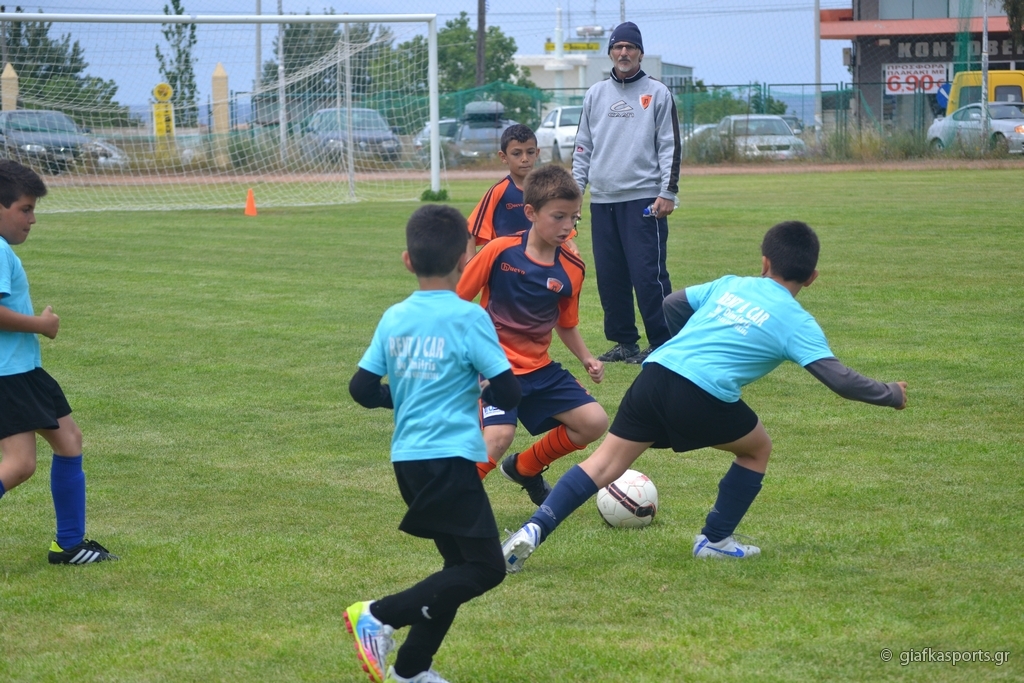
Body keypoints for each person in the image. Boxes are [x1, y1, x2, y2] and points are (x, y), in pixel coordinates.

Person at [501, 221, 908, 572]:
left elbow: (672, 303)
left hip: (656, 373)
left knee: (603, 464)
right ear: (812, 277)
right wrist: (890, 393)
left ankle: (534, 529)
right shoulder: (796, 321)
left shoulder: (733, 285)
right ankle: (715, 540)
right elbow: (840, 380)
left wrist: (694, 341)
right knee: (757, 449)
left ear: (764, 262)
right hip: (700, 393)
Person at [345, 204, 521, 683]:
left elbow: (361, 389)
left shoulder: (395, 316)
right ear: (465, 257)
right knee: (486, 568)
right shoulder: (469, 318)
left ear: (408, 261)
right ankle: (378, 615)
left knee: (456, 565)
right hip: (450, 459)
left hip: (408, 461)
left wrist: (400, 397)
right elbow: (509, 392)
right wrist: (481, 390)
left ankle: (410, 670)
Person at [457, 164, 608, 505]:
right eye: (558, 217)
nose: (568, 226)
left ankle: (524, 468)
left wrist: (587, 358)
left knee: (593, 422)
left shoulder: (572, 267)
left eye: (574, 218)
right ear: (530, 212)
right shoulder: (499, 251)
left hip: (538, 369)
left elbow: (565, 322)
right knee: (499, 436)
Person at [0, 159, 117, 565]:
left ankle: (69, 545)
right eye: (25, 209)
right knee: (19, 464)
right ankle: (69, 544)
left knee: (69, 440)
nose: (32, 220)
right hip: (9, 374)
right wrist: (41, 324)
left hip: (24, 370)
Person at [573, 21, 681, 365]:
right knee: (611, 277)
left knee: (648, 275)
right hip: (603, 200)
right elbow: (582, 147)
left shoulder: (657, 93)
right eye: (618, 47)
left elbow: (670, 146)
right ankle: (624, 342)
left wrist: (668, 192)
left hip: (644, 200)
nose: (623, 53)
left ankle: (662, 342)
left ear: (640, 53)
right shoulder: (595, 94)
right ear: (610, 52)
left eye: (630, 47)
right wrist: (575, 194)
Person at [465, 123, 577, 259]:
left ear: (537, 153)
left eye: (530, 152)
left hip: (540, 263)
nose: (524, 159)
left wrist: (570, 244)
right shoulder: (498, 192)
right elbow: (470, 231)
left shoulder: (549, 191)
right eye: (517, 154)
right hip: (506, 266)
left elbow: (559, 223)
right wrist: (471, 265)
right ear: (503, 157)